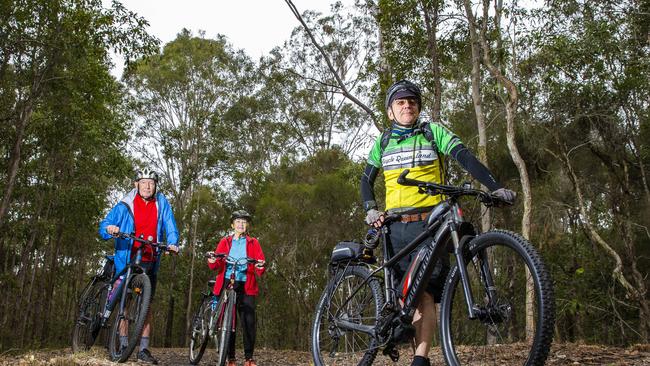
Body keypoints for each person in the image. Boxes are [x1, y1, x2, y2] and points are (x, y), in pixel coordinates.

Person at [360, 80, 516, 366]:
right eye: (400, 102)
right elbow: (365, 181)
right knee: (405, 297)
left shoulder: (434, 132)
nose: (407, 105)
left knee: (426, 292)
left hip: (430, 223)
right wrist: (371, 209)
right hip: (395, 228)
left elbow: (465, 158)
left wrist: (494, 187)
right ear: (390, 112)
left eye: (412, 101)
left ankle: (420, 359)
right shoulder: (382, 142)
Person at [99, 168, 180, 364]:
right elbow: (105, 224)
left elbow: (170, 225)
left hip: (150, 258)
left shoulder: (161, 203)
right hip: (127, 257)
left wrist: (173, 242)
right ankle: (124, 344)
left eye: (151, 183)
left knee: (147, 305)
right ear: (136, 184)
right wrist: (110, 228)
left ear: (155, 186)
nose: (147, 186)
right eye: (143, 182)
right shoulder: (125, 204)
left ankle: (143, 349)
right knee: (124, 304)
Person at [208, 210, 266, 366]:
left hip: (246, 284)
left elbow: (260, 266)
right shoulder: (225, 241)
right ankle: (230, 357)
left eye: (244, 222)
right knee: (228, 321)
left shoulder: (253, 242)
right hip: (227, 281)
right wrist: (213, 259)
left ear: (247, 225)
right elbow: (215, 265)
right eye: (238, 221)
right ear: (232, 224)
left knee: (248, 321)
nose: (241, 224)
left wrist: (260, 265)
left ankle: (249, 358)